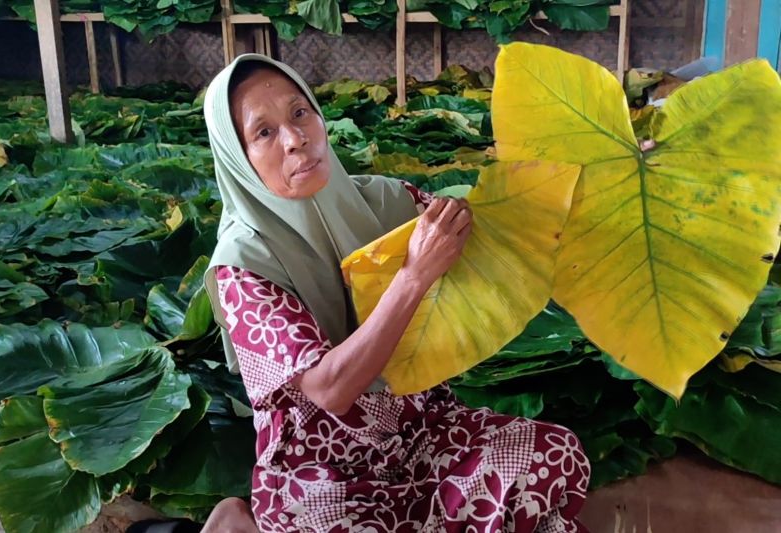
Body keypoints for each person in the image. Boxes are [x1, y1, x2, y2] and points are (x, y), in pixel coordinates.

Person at [198, 53, 591, 533]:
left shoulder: (386, 201)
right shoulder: (241, 267)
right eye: (264, 132)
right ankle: (242, 522)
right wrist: (413, 275)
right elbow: (329, 390)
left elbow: (497, 231)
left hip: (421, 431)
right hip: (323, 469)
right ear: (238, 157)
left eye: (300, 112)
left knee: (555, 455)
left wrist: (596, 179)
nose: (296, 139)